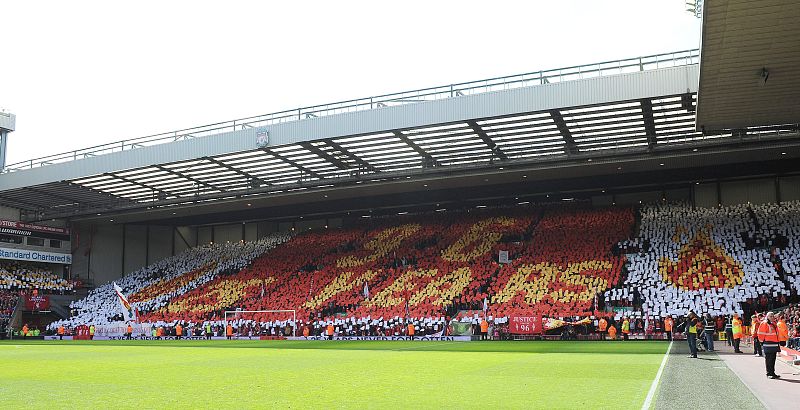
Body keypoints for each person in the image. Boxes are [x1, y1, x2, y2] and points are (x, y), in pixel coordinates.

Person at [757, 312, 781, 379]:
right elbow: (760, 333)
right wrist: (762, 342)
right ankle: (769, 373)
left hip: (774, 344)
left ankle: (772, 373)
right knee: (769, 359)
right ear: (767, 317)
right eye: (771, 316)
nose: (772, 317)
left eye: (773, 316)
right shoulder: (764, 323)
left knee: (773, 359)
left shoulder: (773, 323)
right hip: (768, 344)